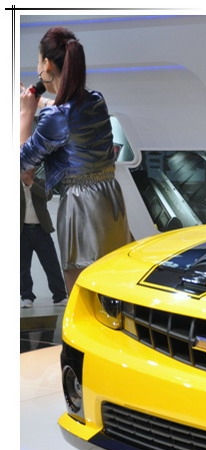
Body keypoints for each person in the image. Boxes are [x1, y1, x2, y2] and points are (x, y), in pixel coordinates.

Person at [20, 26, 132, 295]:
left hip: (80, 206)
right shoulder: (95, 100)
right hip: (110, 200)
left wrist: (25, 115)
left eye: (39, 63)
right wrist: (38, 102)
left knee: (81, 291)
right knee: (114, 284)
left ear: (48, 65)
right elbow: (66, 110)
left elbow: (22, 163)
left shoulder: (56, 117)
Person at [21, 167, 68, 308]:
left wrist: (31, 184)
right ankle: (26, 296)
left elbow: (47, 196)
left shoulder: (41, 183)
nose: (27, 171)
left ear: (34, 170)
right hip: (22, 231)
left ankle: (59, 296)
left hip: (41, 229)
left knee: (51, 264)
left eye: (30, 169)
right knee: (22, 267)